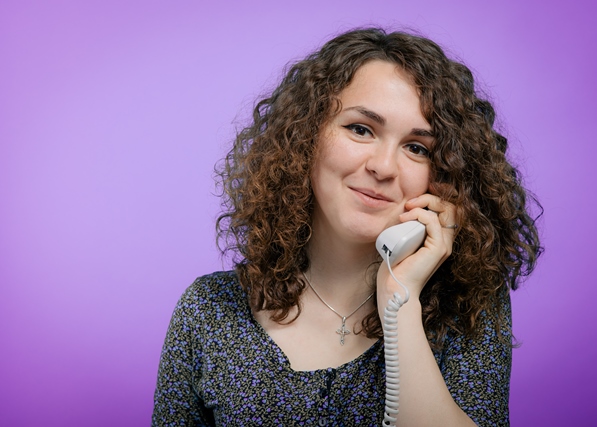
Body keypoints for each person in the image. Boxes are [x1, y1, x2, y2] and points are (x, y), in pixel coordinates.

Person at [152, 27, 542, 427]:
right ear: (306, 136)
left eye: (416, 148)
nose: (383, 167)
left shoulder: (468, 309)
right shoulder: (209, 310)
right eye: (361, 129)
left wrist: (400, 303)